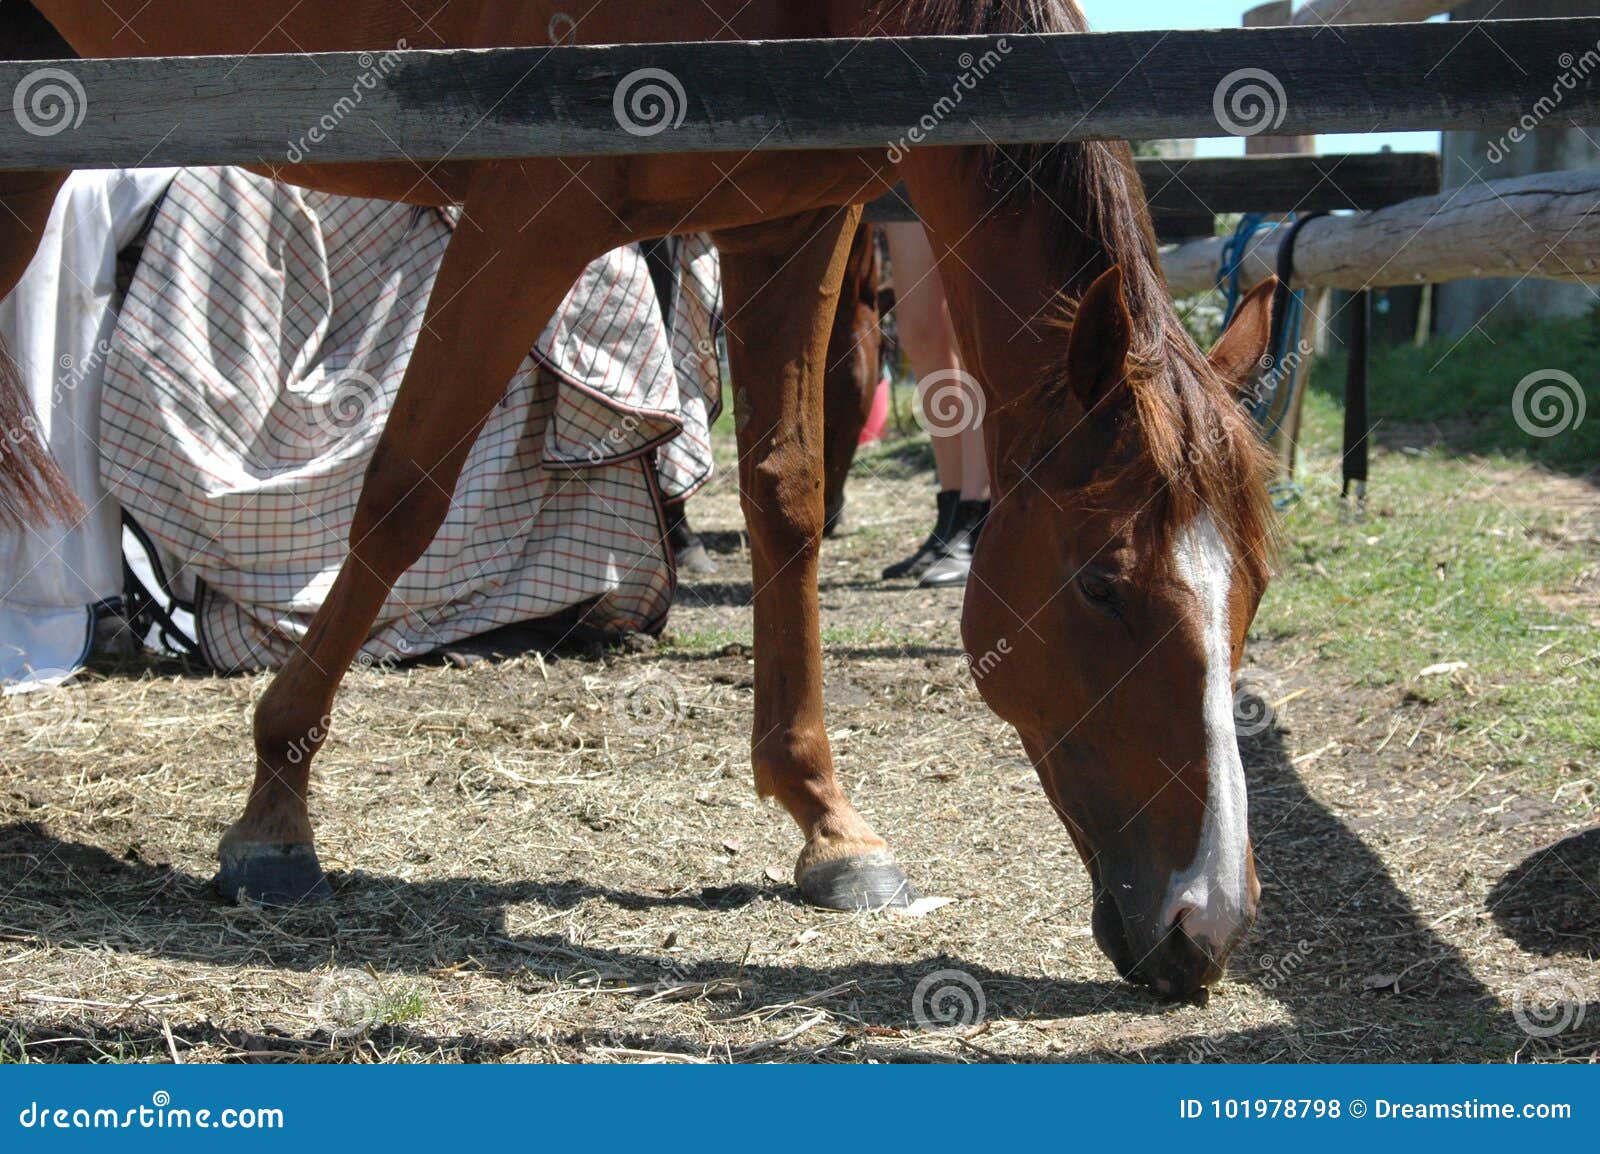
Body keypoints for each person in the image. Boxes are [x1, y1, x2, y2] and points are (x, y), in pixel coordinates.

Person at [879, 223, 991, 588]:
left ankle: (978, 519)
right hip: (906, 171)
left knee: (966, 325)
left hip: (972, 166)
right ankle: (951, 512)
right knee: (918, 329)